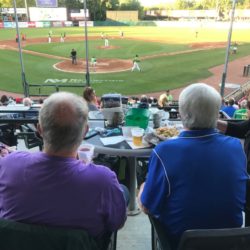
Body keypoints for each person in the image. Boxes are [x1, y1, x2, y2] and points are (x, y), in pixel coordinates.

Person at [0, 92, 127, 239]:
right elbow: (117, 223)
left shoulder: (9, 164)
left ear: (39, 129)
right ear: (85, 130)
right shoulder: (102, 179)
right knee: (123, 191)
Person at [139, 83, 248, 250]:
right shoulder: (235, 147)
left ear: (183, 114)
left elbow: (147, 207)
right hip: (230, 244)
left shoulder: (164, 151)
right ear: (216, 114)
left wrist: (142, 188)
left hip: (181, 244)